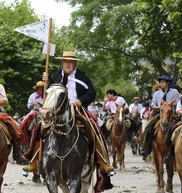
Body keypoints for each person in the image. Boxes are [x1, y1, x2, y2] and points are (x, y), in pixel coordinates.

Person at [22, 51, 114, 180]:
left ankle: (103, 161)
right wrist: (47, 82)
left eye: (70, 62)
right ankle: (34, 161)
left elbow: (91, 93)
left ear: (75, 63)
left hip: (77, 109)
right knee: (39, 128)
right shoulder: (56, 76)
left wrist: (80, 100)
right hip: (57, 111)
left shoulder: (82, 77)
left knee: (93, 127)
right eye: (65, 61)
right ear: (62, 63)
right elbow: (50, 92)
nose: (68, 64)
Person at [139, 75, 180, 159]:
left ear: (167, 83)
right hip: (159, 113)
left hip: (171, 113)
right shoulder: (157, 93)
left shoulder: (174, 92)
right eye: (160, 82)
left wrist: (169, 105)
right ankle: (146, 147)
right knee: (149, 127)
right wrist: (160, 107)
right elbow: (153, 105)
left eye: (163, 82)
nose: (161, 84)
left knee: (181, 126)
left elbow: (179, 103)